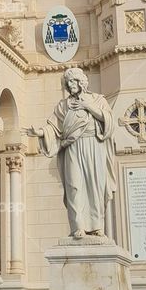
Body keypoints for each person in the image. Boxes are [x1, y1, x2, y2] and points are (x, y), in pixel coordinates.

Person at [32, 68, 116, 238]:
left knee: (95, 186)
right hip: (72, 148)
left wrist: (88, 106)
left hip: (94, 144)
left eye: (73, 81)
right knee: (74, 186)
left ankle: (96, 226)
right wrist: (40, 133)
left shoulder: (97, 100)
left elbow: (109, 120)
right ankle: (78, 226)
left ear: (81, 82)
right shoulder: (63, 105)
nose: (70, 85)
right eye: (67, 83)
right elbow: (54, 128)